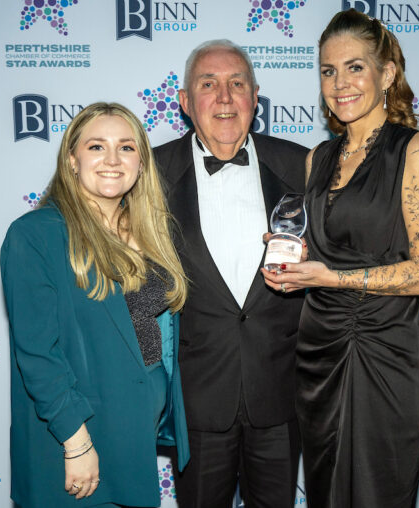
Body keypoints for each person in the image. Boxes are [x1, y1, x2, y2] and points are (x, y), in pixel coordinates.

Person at [261, 9, 419, 507]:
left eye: (355, 67)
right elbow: (326, 248)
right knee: (325, 492)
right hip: (318, 348)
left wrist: (334, 277)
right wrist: (291, 258)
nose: (340, 83)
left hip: (385, 350)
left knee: (377, 492)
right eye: (328, 71)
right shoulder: (316, 160)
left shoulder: (417, 151)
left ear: (386, 74)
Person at [0, 102, 190, 508]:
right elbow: (37, 354)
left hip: (137, 429)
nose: (112, 160)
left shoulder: (150, 230)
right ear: (72, 159)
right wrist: (77, 443)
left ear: (141, 162)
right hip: (79, 433)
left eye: (126, 147)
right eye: (96, 147)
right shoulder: (36, 235)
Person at [153, 40, 307, 508]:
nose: (224, 97)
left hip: (281, 393)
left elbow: (348, 250)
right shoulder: (150, 175)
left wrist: (400, 302)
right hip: (196, 398)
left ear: (255, 98)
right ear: (184, 102)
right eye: (208, 84)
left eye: (236, 83)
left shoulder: (303, 165)